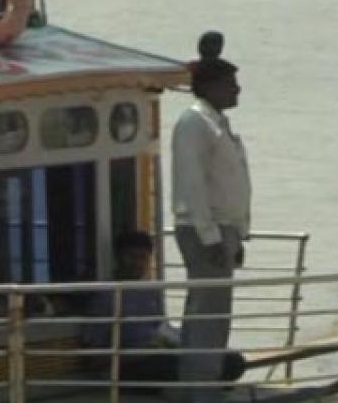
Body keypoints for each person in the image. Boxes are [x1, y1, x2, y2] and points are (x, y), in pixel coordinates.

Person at [171, 31, 252, 402]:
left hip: (223, 229)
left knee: (215, 312)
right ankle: (197, 389)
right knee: (207, 312)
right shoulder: (194, 123)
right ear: (213, 86)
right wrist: (210, 237)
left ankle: (204, 381)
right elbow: (192, 184)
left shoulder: (217, 122)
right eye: (231, 84)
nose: (237, 90)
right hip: (206, 230)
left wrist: (237, 234)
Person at [82, 232, 245, 391]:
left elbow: (161, 329)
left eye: (143, 258)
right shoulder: (106, 296)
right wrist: (140, 352)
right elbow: (94, 359)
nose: (137, 263)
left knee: (232, 360)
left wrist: (172, 342)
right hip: (129, 365)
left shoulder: (150, 291)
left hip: (160, 352)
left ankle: (204, 382)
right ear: (118, 257)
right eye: (132, 257)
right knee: (186, 367)